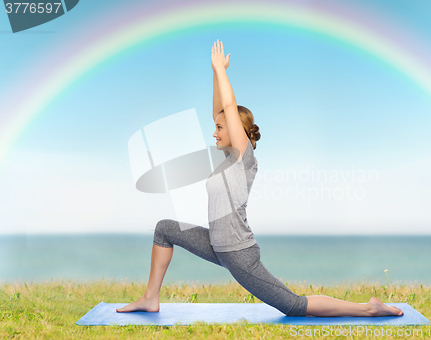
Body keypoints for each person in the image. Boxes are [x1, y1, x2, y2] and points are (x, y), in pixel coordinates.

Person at [117, 40, 404, 317]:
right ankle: (150, 298)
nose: (214, 132)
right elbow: (221, 110)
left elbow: (229, 109)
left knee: (293, 306)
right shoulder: (227, 159)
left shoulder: (244, 160)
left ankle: (368, 308)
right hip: (217, 246)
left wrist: (220, 71)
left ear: (235, 131)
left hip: (239, 254)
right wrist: (217, 75)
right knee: (164, 229)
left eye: (220, 128)